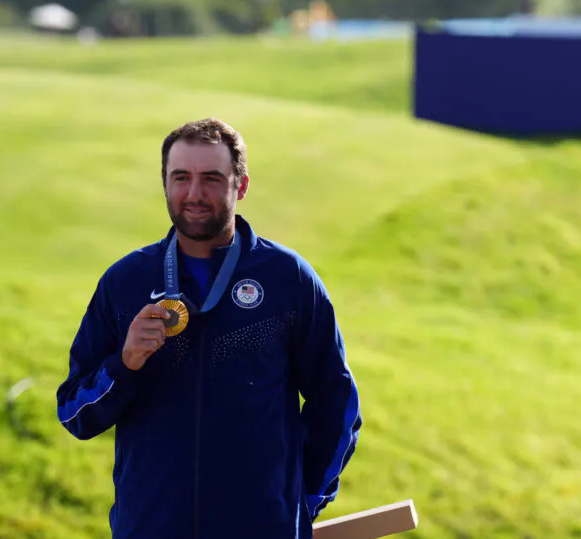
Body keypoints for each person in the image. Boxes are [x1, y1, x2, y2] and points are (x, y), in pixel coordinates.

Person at [56, 118, 362, 539]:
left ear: (241, 186)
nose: (194, 194)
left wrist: (301, 504)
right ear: (164, 182)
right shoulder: (125, 282)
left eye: (212, 179)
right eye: (181, 177)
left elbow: (336, 400)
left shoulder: (288, 279)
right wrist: (124, 365)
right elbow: (74, 413)